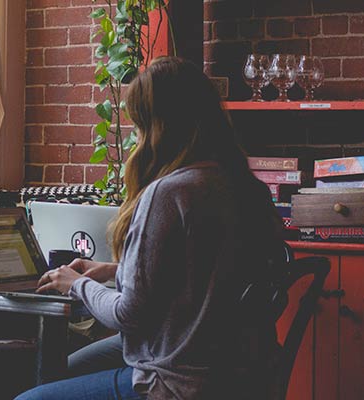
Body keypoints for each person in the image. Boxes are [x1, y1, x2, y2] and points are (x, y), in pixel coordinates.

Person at [16, 57, 284, 400]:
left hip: (179, 379)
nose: (136, 135)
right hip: (241, 373)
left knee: (29, 396)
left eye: (139, 124)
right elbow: (204, 275)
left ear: (158, 127)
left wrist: (76, 284)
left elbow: (127, 314)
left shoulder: (170, 193)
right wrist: (114, 270)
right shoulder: (247, 188)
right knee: (59, 370)